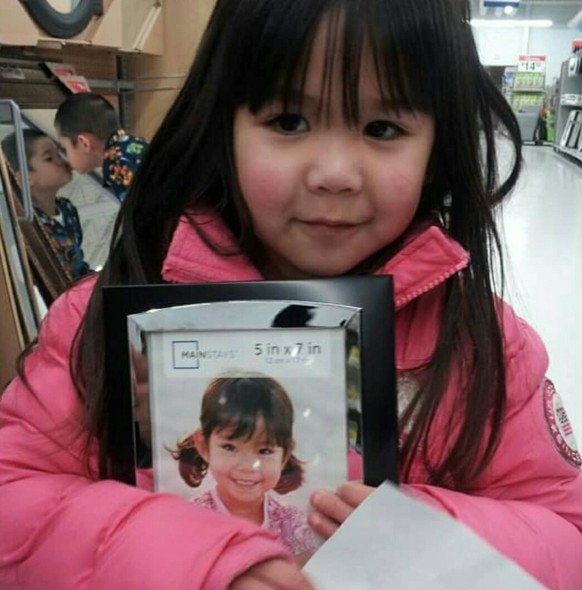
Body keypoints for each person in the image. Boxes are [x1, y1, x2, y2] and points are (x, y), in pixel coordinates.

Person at [1, 0, 581, 588]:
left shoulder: (484, 346)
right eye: (288, 122)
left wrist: (429, 541)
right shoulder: (102, 322)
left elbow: (566, 531)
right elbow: (15, 501)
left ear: (437, 150)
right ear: (222, 128)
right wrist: (192, 563)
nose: (334, 173)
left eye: (382, 129)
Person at [170, 374, 318, 563]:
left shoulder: (292, 523)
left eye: (264, 451)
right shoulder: (190, 519)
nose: (247, 467)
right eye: (230, 448)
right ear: (204, 446)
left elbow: (303, 575)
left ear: (285, 454)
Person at [1, 129, 92, 280]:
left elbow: (78, 265)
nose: (63, 161)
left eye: (60, 154)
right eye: (49, 158)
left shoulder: (67, 209)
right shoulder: (21, 224)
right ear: (23, 178)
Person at [54, 92, 149, 203]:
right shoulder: (135, 145)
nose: (65, 158)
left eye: (65, 149)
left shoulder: (118, 167)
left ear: (84, 143)